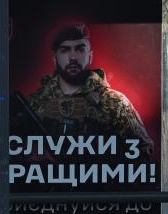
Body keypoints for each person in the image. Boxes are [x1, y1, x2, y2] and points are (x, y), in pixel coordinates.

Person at [26, 23, 154, 159]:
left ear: (90, 56)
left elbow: (144, 153)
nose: (73, 57)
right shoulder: (35, 103)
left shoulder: (115, 103)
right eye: (65, 50)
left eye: (80, 49)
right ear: (54, 58)